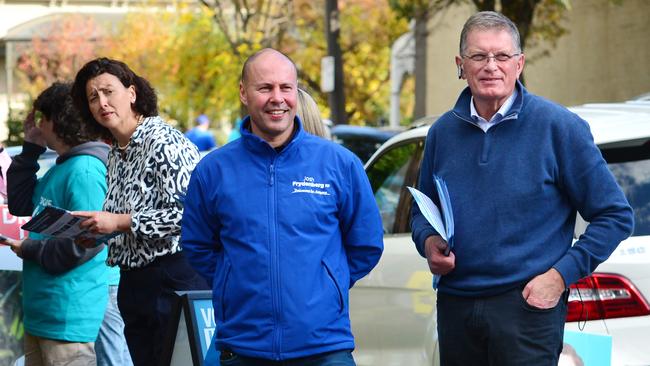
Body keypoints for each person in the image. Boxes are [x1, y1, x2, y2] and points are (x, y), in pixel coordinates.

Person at [410, 11, 634, 366]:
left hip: (528, 308)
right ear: (460, 64)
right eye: (479, 56)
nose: (491, 66)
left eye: (502, 56)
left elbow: (615, 216)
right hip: (456, 307)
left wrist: (559, 277)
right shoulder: (442, 133)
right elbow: (422, 213)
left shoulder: (559, 127)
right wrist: (427, 241)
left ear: (519, 63)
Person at [181, 48, 384, 365]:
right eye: (265, 88)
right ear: (244, 93)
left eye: (285, 88)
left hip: (324, 347)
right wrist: (233, 282)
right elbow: (198, 245)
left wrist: (324, 285)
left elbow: (366, 244)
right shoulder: (214, 170)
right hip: (244, 346)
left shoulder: (339, 164)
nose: (278, 98)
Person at [69, 57, 208, 366]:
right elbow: (127, 224)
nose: (102, 102)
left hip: (175, 277)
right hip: (134, 283)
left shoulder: (163, 141)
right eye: (93, 97)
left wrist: (118, 222)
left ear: (131, 93)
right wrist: (99, 234)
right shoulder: (117, 152)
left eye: (108, 91)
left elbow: (193, 215)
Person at [3, 82, 110, 366]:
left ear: (56, 120)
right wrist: (30, 150)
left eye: (42, 118)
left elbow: (88, 244)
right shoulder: (65, 166)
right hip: (45, 315)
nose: (38, 126)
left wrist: (31, 249)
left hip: (68, 316)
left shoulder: (85, 170)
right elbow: (21, 203)